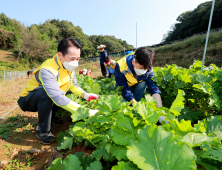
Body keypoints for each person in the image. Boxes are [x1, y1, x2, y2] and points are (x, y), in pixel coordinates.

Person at [17, 38, 99, 144]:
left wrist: (85, 95)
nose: (75, 63)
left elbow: (73, 86)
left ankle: (53, 117)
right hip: (28, 100)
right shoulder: (47, 69)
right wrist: (85, 112)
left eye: (78, 59)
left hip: (50, 95)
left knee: (65, 92)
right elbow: (56, 96)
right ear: (60, 55)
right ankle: (43, 131)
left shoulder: (68, 66)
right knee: (48, 93)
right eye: (72, 58)